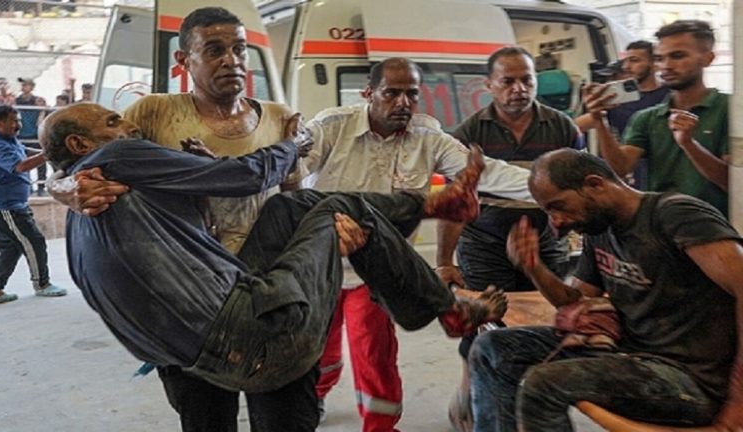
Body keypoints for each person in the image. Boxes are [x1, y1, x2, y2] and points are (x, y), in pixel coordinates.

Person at [40, 102, 508, 430]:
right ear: (188, 58)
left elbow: (186, 235)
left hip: (201, 329)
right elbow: (246, 175)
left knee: (290, 207)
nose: (126, 124)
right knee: (335, 211)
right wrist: (294, 144)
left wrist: (198, 178)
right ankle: (446, 297)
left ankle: (436, 208)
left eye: (238, 50)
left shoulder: (86, 210)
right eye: (112, 121)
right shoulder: (124, 146)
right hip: (242, 327)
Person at [304, 57, 532, 431]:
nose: (403, 103)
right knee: (316, 349)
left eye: (411, 94)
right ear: (368, 93)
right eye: (391, 93)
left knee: (374, 350)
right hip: (319, 263)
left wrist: (548, 187)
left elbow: (487, 172)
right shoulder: (331, 127)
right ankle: (313, 396)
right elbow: (292, 167)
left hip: (375, 268)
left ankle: (380, 426)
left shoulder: (428, 137)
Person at [468, 148, 742, 432]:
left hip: (691, 380)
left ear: (595, 184)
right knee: (492, 347)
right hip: (631, 356)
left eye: (559, 206)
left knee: (544, 384)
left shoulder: (676, 215)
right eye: (549, 211)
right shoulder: (599, 229)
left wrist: (739, 404)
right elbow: (574, 302)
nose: (556, 221)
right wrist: (534, 268)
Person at [434, 46, 583, 431]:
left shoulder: (563, 128)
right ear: (489, 85)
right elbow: (455, 204)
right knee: (482, 321)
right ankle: (470, 389)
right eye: (508, 81)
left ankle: (535, 397)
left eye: (527, 80)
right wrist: (445, 261)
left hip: (545, 244)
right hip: (484, 244)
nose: (519, 89)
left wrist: (572, 237)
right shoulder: (469, 134)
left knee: (546, 321)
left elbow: (579, 191)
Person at [583, 20, 728, 216]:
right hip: (660, 223)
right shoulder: (647, 117)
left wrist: (689, 144)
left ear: (707, 58)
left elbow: (733, 182)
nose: (666, 66)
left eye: (678, 56)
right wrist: (599, 120)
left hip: (717, 223)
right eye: (660, 58)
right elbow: (620, 169)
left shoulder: (731, 109)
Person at [0, 105, 67, 305]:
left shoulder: (9, 140)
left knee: (11, 248)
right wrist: (48, 154)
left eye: (18, 120)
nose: (18, 125)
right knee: (35, 242)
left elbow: (24, 152)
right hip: (5, 207)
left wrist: (48, 152)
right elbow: (20, 166)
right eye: (13, 121)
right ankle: (42, 284)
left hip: (11, 204)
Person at [576, 40, 670, 138]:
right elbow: (577, 126)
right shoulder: (617, 97)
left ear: (655, 64)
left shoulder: (671, 94)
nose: (626, 66)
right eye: (625, 61)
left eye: (634, 60)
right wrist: (594, 111)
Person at [15, 77, 49, 196]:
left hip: (34, 134)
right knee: (23, 160)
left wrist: (42, 110)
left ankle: (41, 186)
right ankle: (26, 186)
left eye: (26, 85)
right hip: (21, 134)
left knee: (40, 160)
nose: (24, 87)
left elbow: (42, 116)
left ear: (32, 87)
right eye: (23, 85)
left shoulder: (37, 100)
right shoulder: (17, 100)